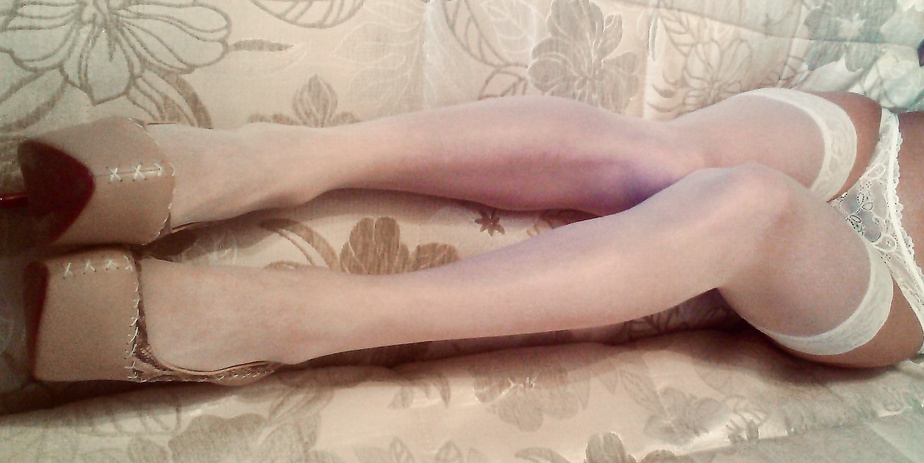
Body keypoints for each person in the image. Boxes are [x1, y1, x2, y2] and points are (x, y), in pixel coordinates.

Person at [6, 87, 923, 386]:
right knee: (659, 153)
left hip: (902, 286)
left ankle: (298, 318)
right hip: (887, 136)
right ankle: (264, 161)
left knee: (755, 209)